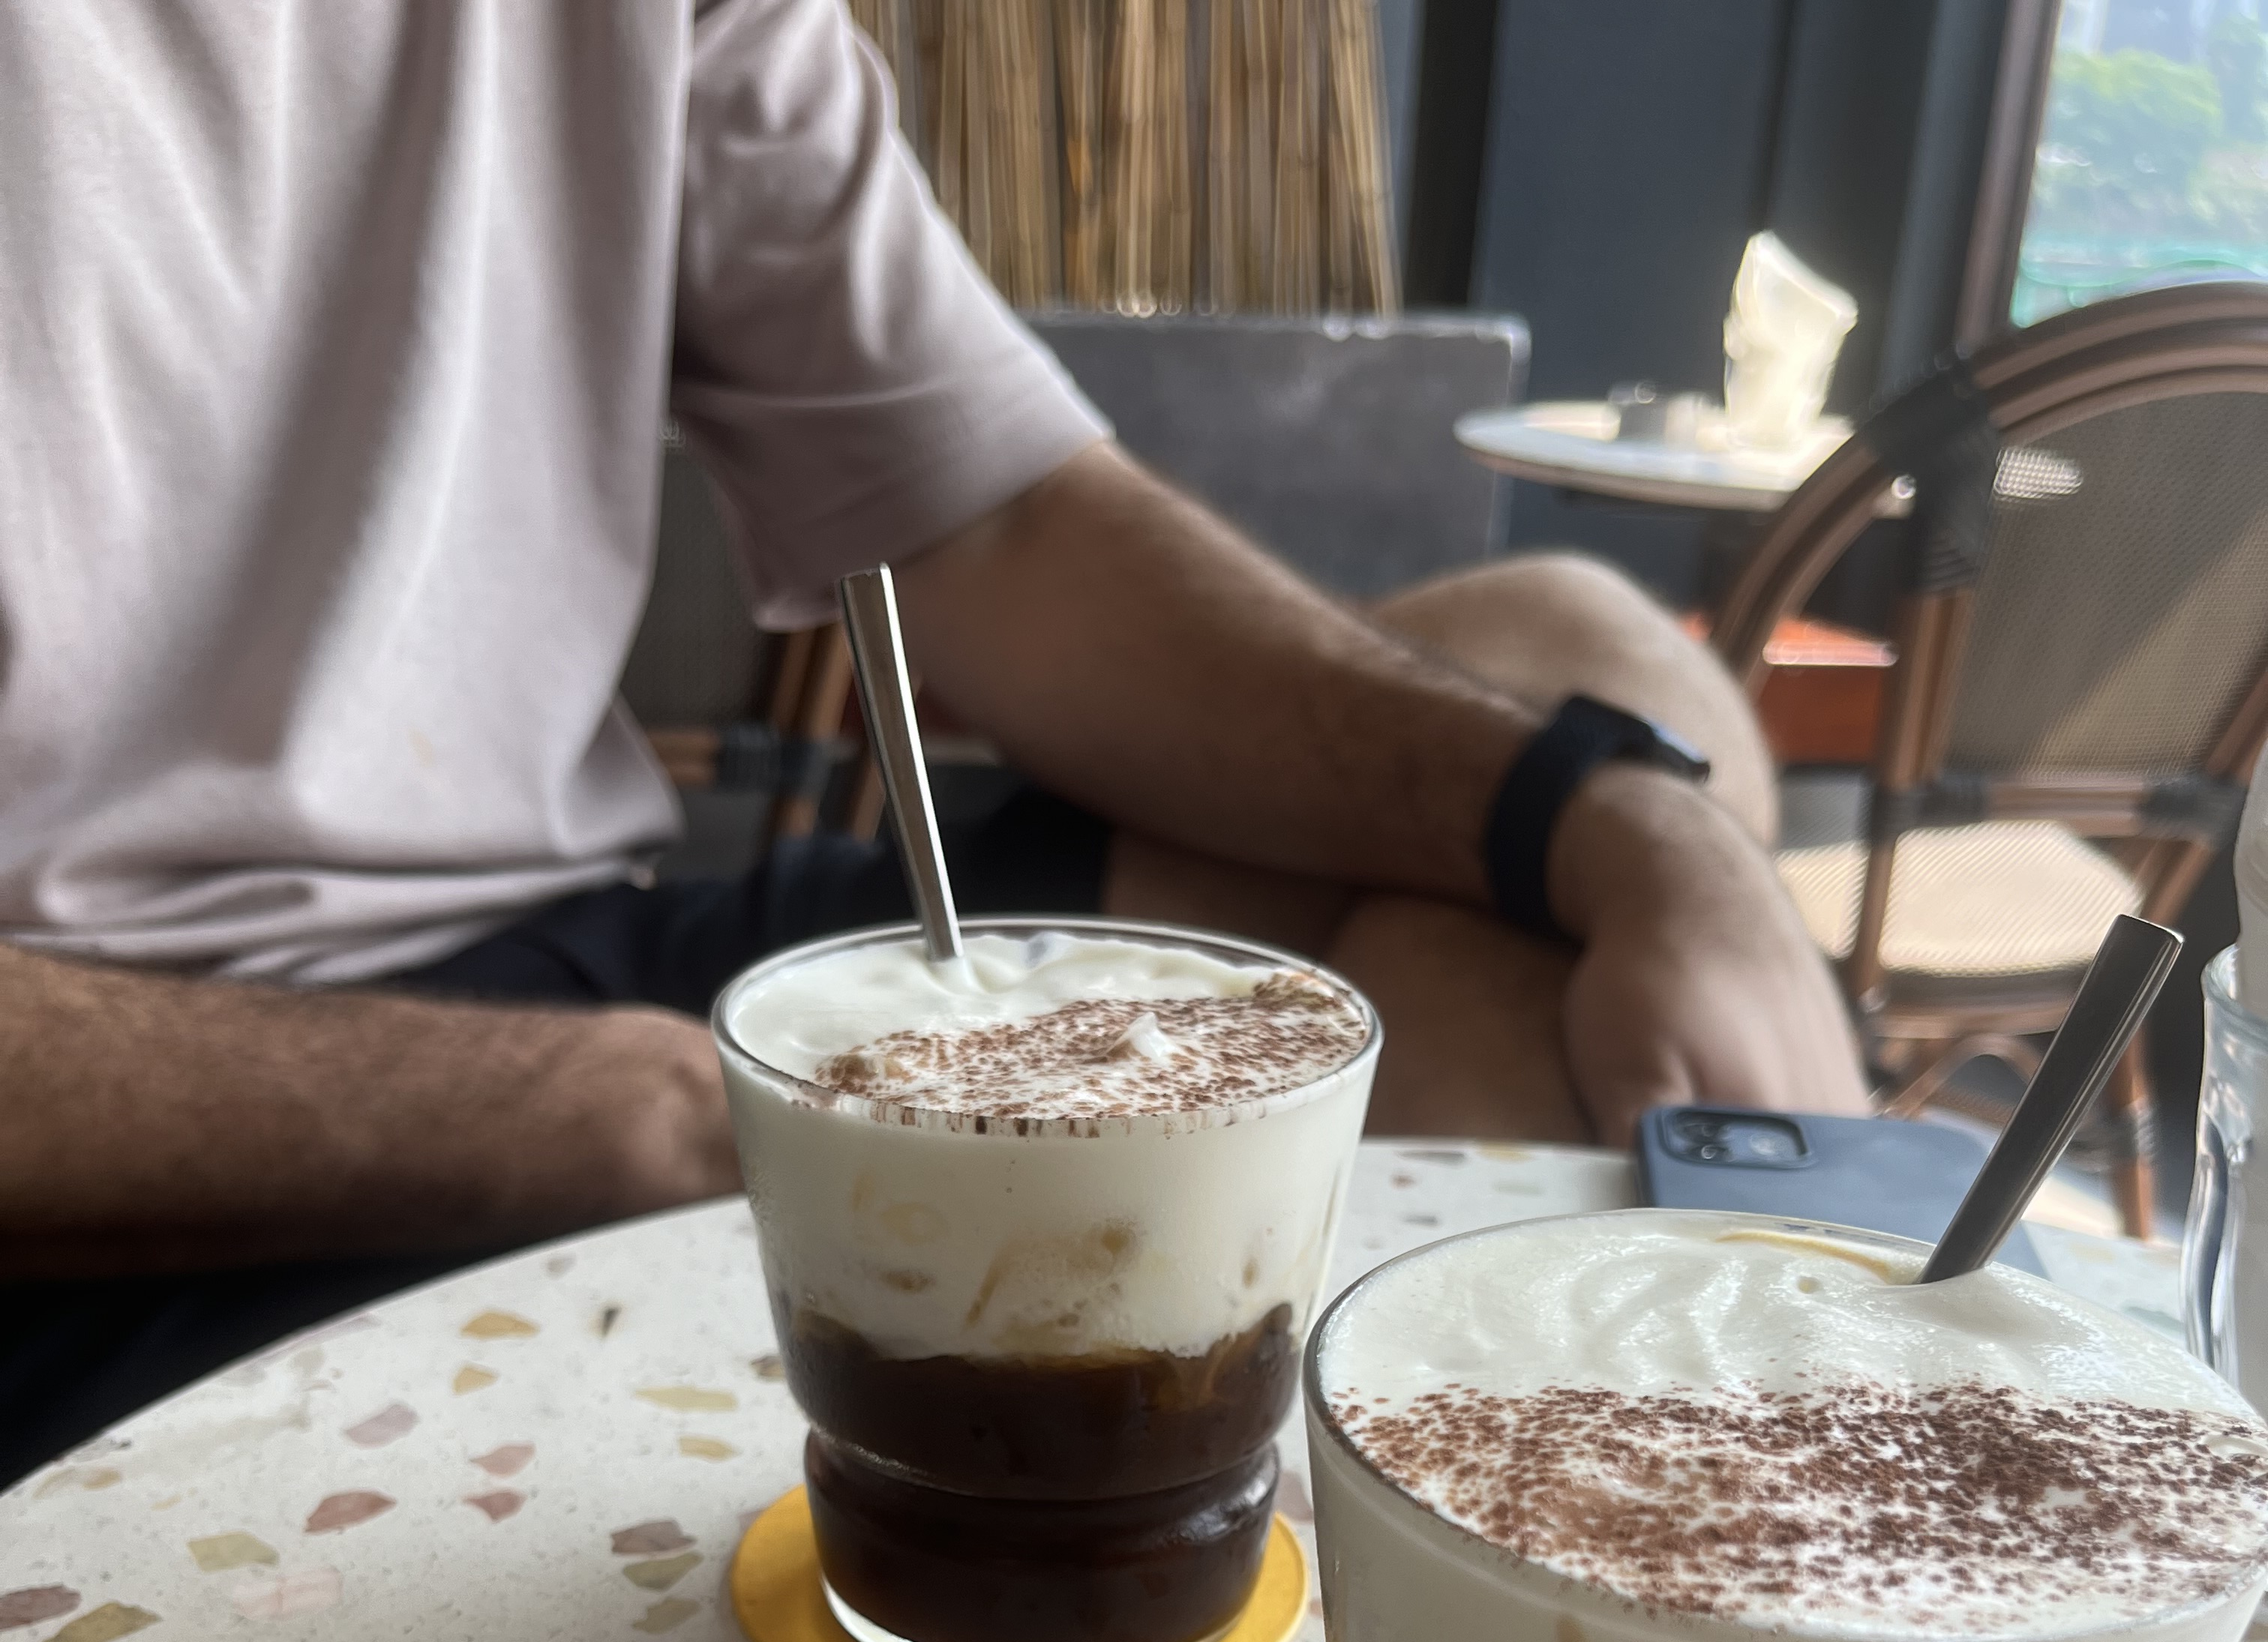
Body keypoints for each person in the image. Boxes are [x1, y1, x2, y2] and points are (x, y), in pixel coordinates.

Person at [0, 0, 1864, 1490]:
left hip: (583, 945)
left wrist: (1605, 816)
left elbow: (995, 525)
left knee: (1588, 663)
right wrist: (644, 1108)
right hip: (98, 1119)